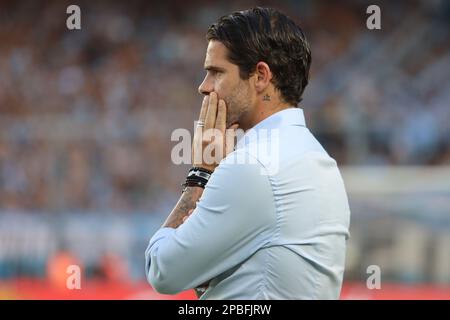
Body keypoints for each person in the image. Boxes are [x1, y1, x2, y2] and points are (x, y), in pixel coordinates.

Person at [145, 7, 350, 299]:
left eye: (216, 73)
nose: (203, 87)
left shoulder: (253, 166)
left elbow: (162, 271)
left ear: (261, 76)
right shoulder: (318, 158)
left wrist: (200, 173)